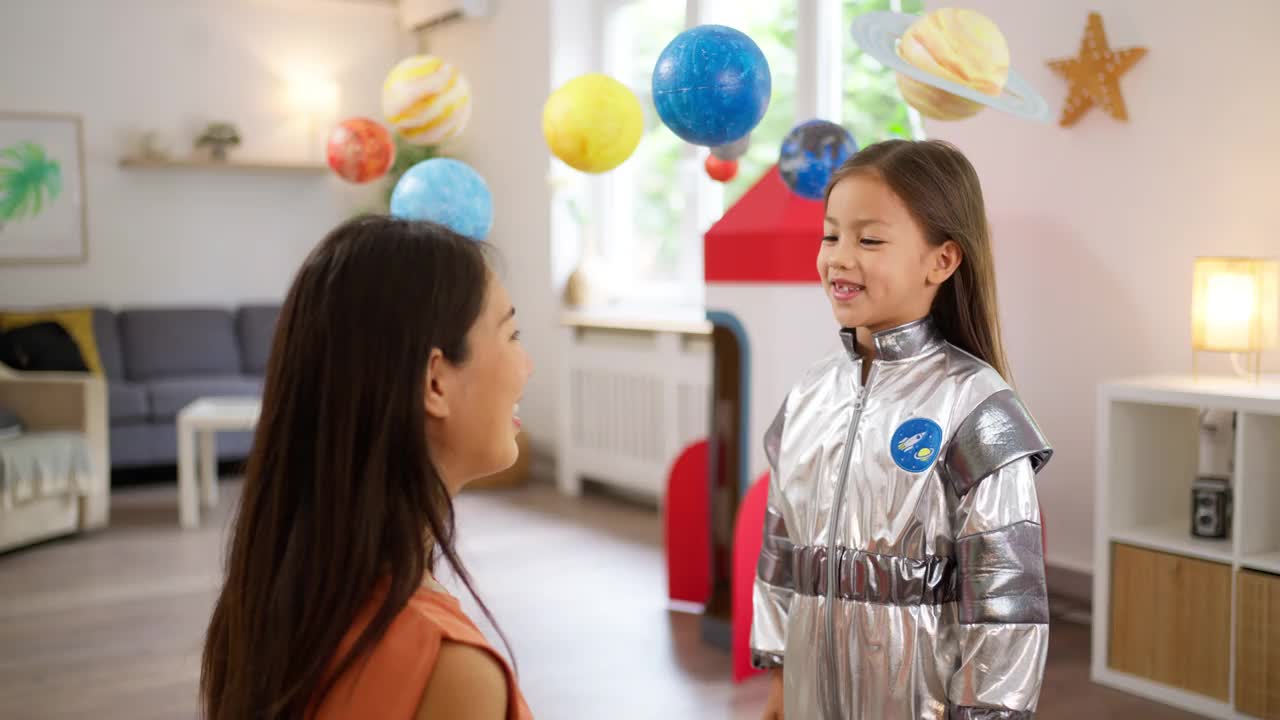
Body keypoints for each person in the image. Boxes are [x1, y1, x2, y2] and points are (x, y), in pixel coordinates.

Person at [752, 139, 1053, 719]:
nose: (839, 257)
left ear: (942, 260)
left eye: (868, 239)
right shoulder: (809, 396)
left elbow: (1005, 603)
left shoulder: (975, 406)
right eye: (830, 235)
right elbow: (780, 550)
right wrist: (778, 675)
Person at [200, 215, 535, 720]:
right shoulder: (453, 671)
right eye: (511, 335)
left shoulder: (268, 600)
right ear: (435, 382)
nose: (526, 365)